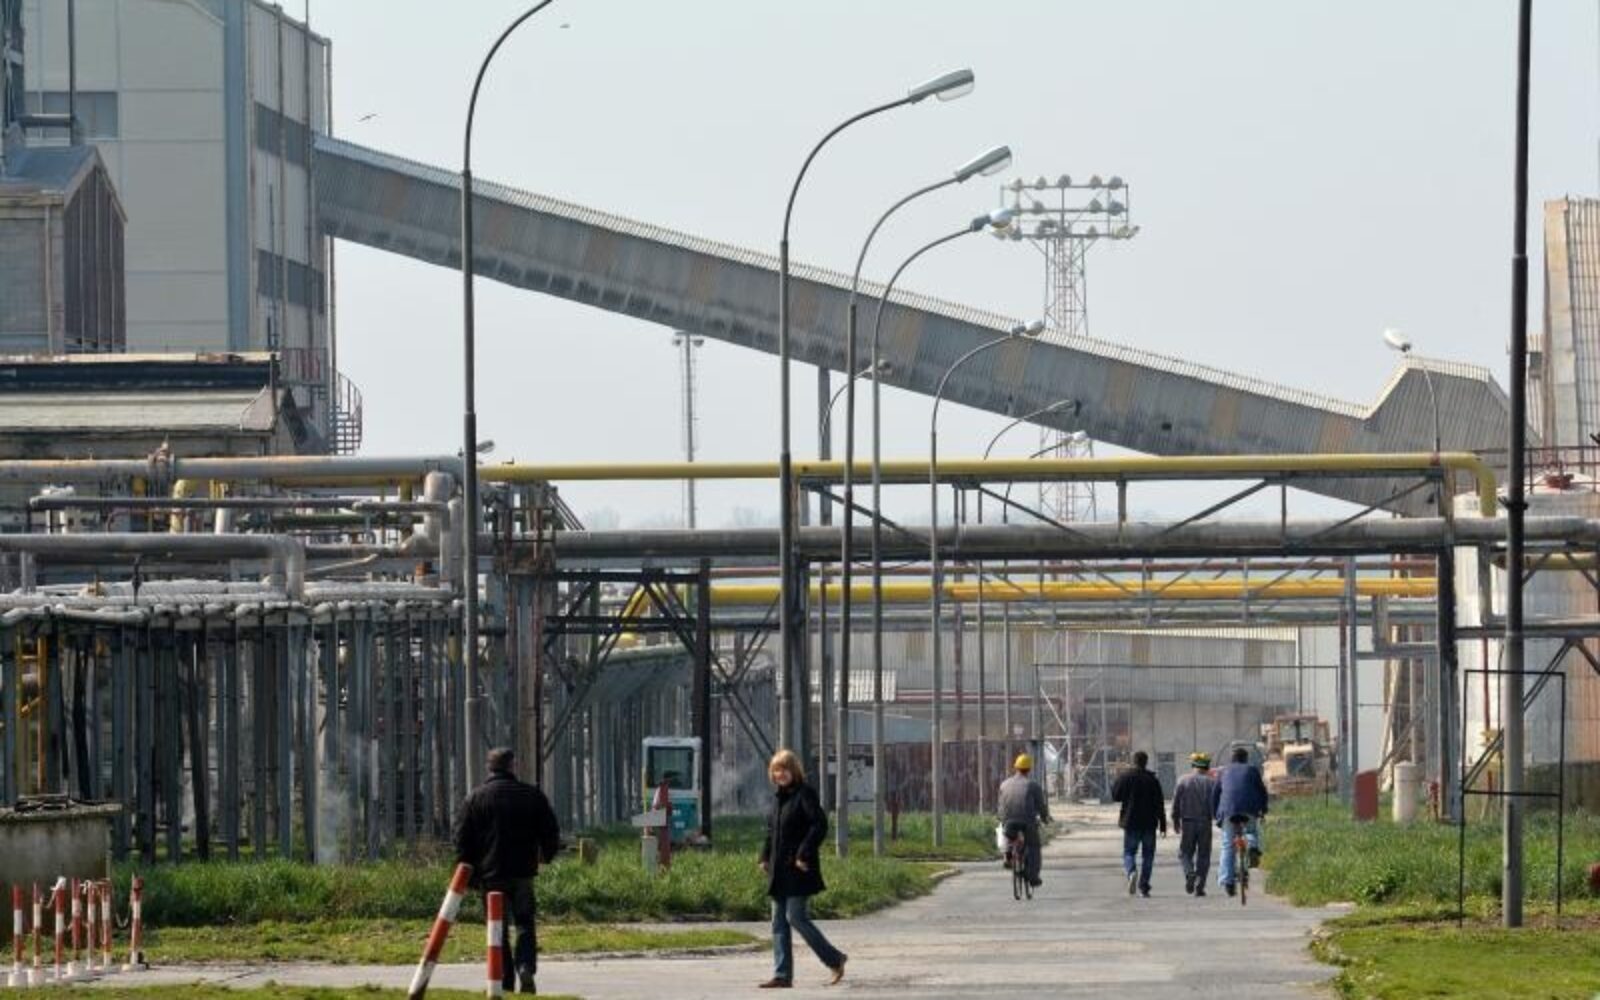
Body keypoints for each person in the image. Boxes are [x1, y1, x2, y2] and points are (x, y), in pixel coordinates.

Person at [453, 747, 561, 995]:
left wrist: (468, 875)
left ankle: (504, 978)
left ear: (489, 768)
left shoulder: (475, 798)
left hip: (490, 875)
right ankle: (525, 966)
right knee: (525, 923)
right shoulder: (532, 795)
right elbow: (550, 831)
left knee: (496, 928)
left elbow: (461, 839)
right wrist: (546, 855)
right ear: (513, 766)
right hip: (523, 873)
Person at [758, 749, 846, 989]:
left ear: (793, 770)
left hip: (799, 868)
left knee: (795, 917)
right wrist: (764, 857)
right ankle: (782, 975)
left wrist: (803, 853)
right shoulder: (778, 799)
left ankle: (834, 959)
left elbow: (819, 824)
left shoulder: (804, 794)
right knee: (778, 922)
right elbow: (771, 832)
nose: (780, 774)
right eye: (776, 770)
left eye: (784, 769)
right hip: (779, 870)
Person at [1211, 745, 1270, 897]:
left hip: (1228, 810)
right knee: (1251, 831)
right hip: (1249, 808)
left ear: (1231, 759)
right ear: (1246, 759)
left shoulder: (1223, 771)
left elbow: (1215, 794)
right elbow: (1262, 791)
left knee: (1227, 845)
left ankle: (1227, 880)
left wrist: (1215, 814)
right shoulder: (1252, 770)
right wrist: (1263, 809)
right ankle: (1252, 847)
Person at [1110, 750, 1167, 897]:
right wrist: (1163, 825)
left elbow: (1115, 796)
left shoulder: (1126, 777)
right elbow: (1159, 804)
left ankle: (1131, 872)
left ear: (1133, 761)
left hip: (1131, 822)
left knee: (1129, 852)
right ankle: (1144, 886)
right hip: (1149, 823)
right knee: (1148, 855)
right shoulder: (1152, 780)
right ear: (1146, 762)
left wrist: (1118, 780)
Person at [996, 752, 1052, 889]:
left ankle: (1007, 855)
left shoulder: (1004, 784)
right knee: (1034, 846)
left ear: (1015, 767)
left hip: (1008, 821)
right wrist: (1045, 818)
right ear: (1029, 769)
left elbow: (1000, 805)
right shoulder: (1033, 786)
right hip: (1027, 822)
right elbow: (1041, 806)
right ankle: (1033, 877)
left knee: (1006, 834)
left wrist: (1001, 818)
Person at [1170, 752, 1217, 896]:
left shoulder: (1183, 781)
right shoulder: (1212, 783)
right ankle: (1199, 887)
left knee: (1185, 853)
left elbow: (1176, 802)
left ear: (1193, 766)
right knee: (1204, 855)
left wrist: (1175, 820)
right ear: (1207, 767)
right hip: (1205, 822)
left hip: (1188, 822)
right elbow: (1216, 803)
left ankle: (1190, 872)